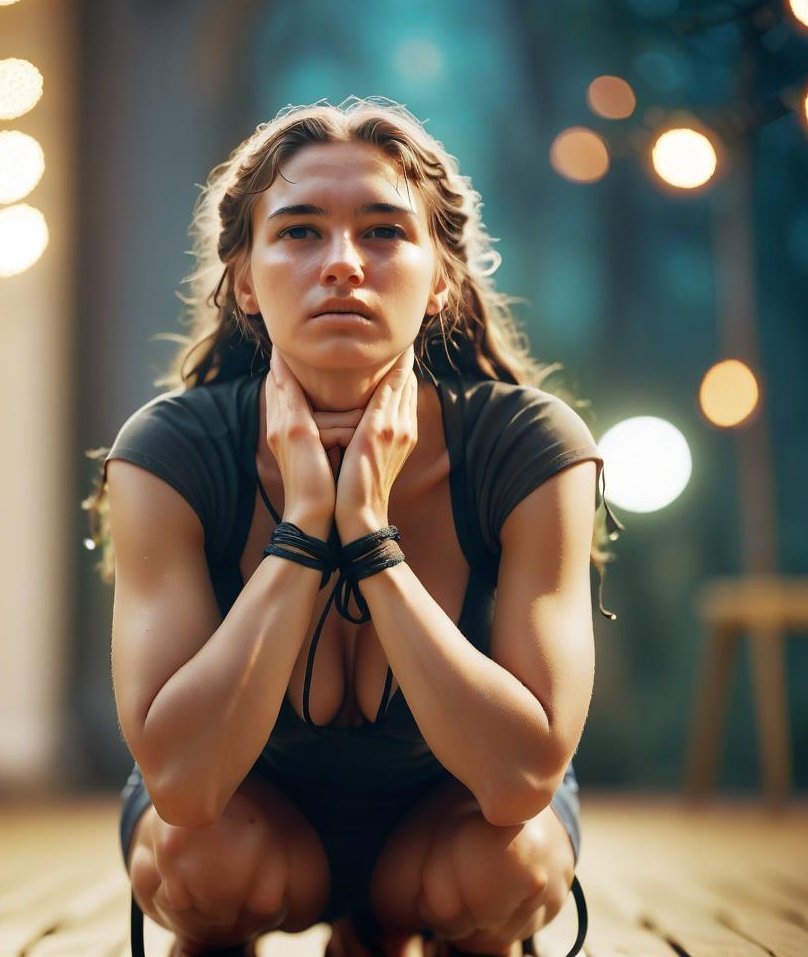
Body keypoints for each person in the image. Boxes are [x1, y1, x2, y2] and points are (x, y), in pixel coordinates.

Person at [83, 96, 624, 957]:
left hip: (451, 830)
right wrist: (303, 528)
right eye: (299, 232)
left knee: (506, 869)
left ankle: (413, 927)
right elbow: (182, 787)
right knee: (196, 864)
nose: (343, 263)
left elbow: (522, 779)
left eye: (382, 231)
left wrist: (370, 534)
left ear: (440, 276)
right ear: (243, 280)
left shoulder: (530, 444)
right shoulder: (168, 450)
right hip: (253, 831)